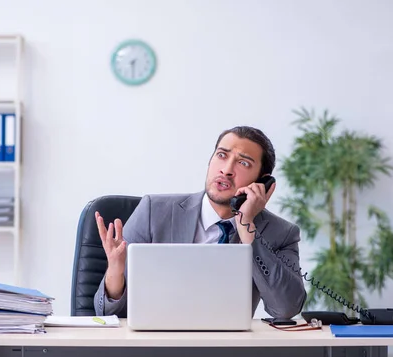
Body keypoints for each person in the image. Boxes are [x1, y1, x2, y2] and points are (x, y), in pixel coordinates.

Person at [93, 126, 307, 319]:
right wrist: (115, 271)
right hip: (156, 347)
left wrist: (247, 227)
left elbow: (286, 308)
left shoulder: (282, 233)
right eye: (222, 155)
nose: (227, 169)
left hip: (229, 352)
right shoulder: (153, 212)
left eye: (243, 163)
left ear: (263, 183)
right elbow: (108, 313)